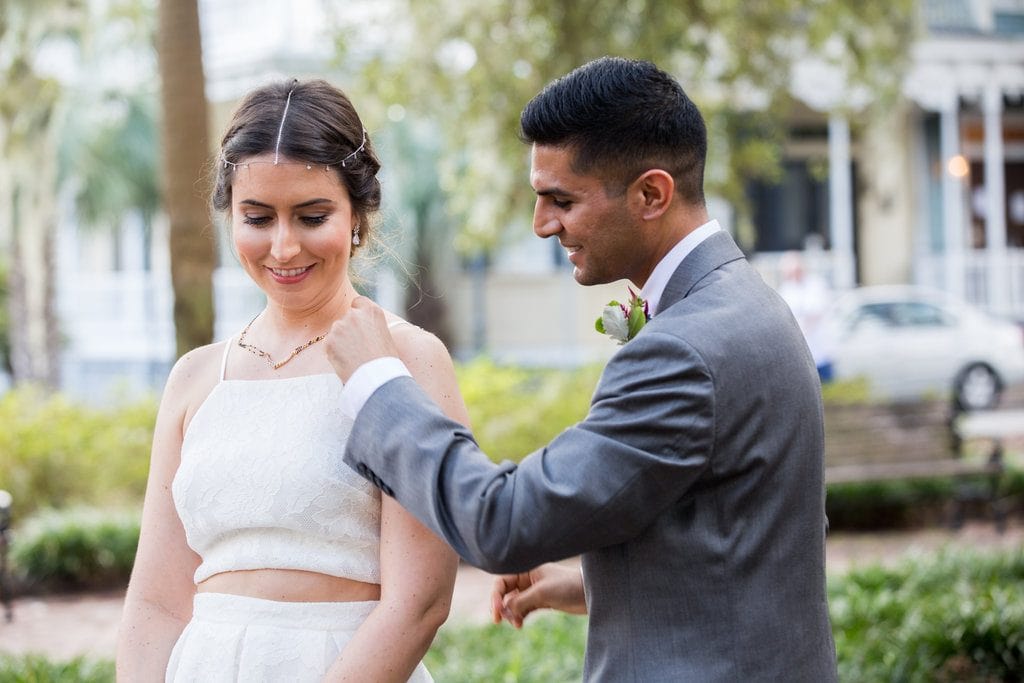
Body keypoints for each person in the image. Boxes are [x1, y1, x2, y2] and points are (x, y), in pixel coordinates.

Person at [327, 57, 837, 681]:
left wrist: (378, 385)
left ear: (652, 194)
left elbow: (502, 522)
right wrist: (596, 585)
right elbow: (743, 546)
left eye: (560, 200)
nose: (542, 225)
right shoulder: (745, 303)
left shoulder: (684, 349)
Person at [116, 79, 466, 682]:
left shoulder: (407, 358)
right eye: (258, 217)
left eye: (311, 216)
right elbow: (155, 601)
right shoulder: (196, 378)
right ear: (230, 215)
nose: (282, 246)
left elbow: (420, 600)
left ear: (358, 215)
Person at [777, 249, 835, 381]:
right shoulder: (786, 290)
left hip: (820, 352)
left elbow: (817, 312)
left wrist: (801, 331)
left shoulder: (816, 284)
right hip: (800, 356)